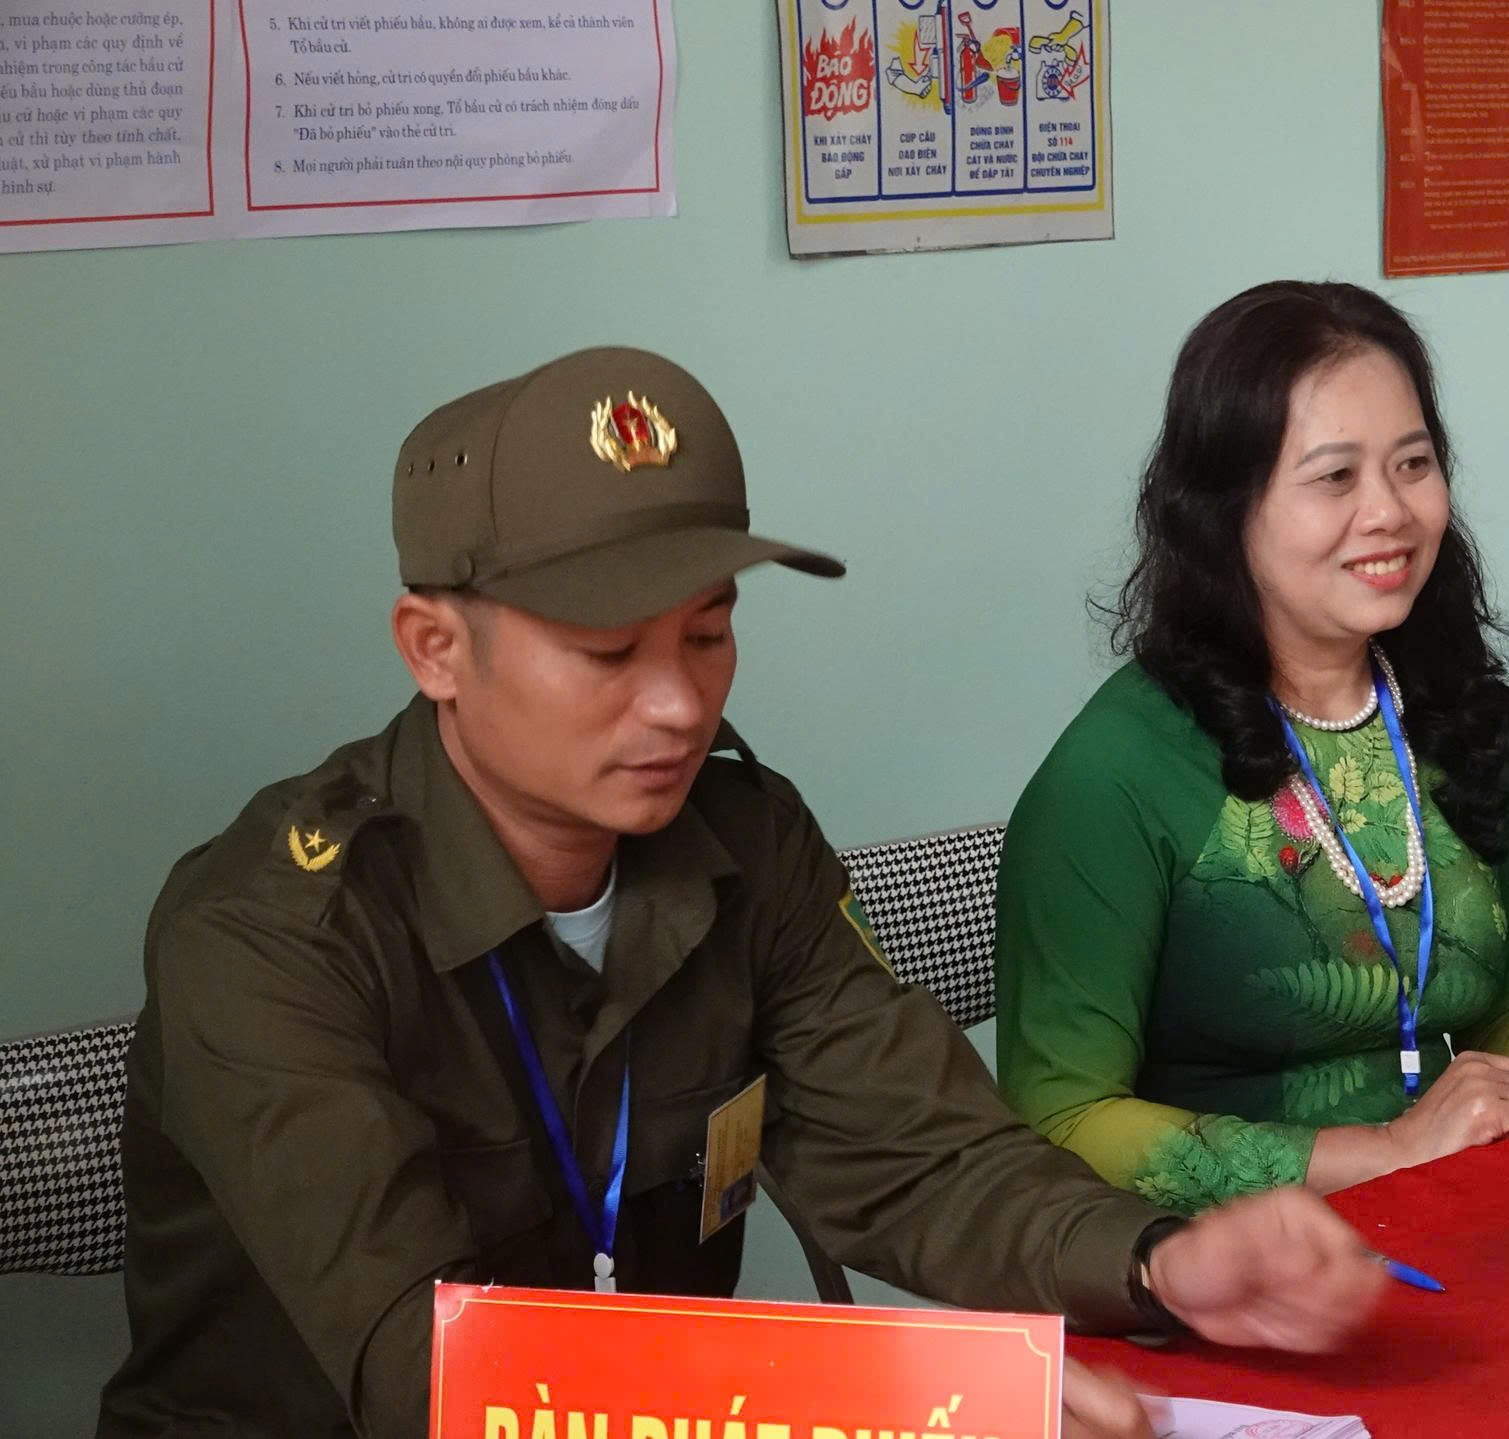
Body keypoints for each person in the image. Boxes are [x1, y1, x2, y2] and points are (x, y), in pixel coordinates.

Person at [98, 347, 1383, 1439]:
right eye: (608, 651)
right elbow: (425, 1364)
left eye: (707, 632)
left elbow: (923, 1158)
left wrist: (1158, 1260)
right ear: (435, 647)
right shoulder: (267, 933)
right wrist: (897, 1396)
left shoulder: (744, 846)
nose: (678, 703)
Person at [994, 282, 1509, 1216]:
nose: (1390, 512)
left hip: (1472, 1204)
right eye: (1335, 477)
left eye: (1413, 464)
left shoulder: (1448, 703)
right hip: (1234, 1260)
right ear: (1225, 507)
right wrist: (1382, 1150)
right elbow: (1061, 1120)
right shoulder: (1115, 772)